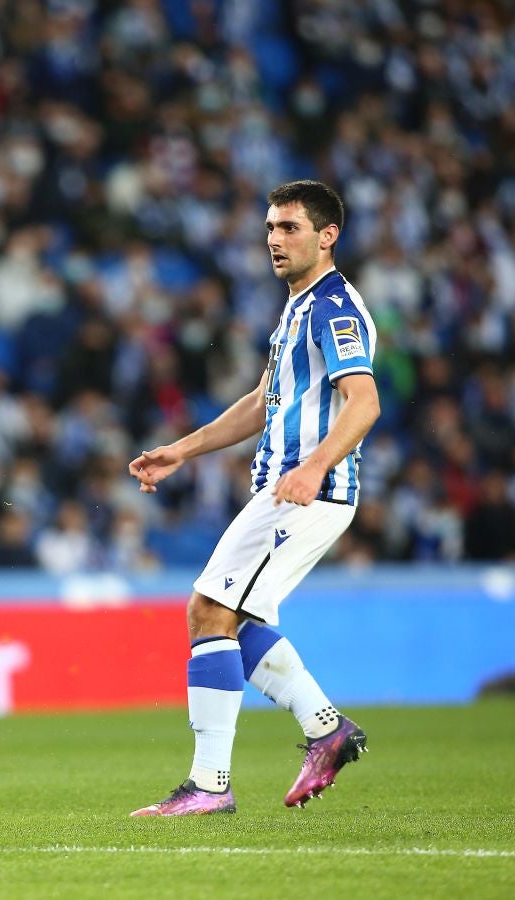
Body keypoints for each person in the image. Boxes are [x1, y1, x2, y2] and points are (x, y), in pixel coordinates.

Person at [127, 180, 380, 816]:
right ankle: (326, 728)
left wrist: (316, 467)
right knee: (235, 621)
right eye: (270, 227)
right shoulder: (297, 308)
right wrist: (182, 450)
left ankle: (210, 785)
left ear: (327, 237)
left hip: (305, 489)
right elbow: (262, 403)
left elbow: (365, 401)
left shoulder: (333, 309)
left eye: (289, 227)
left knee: (208, 611)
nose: (274, 239)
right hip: (288, 485)